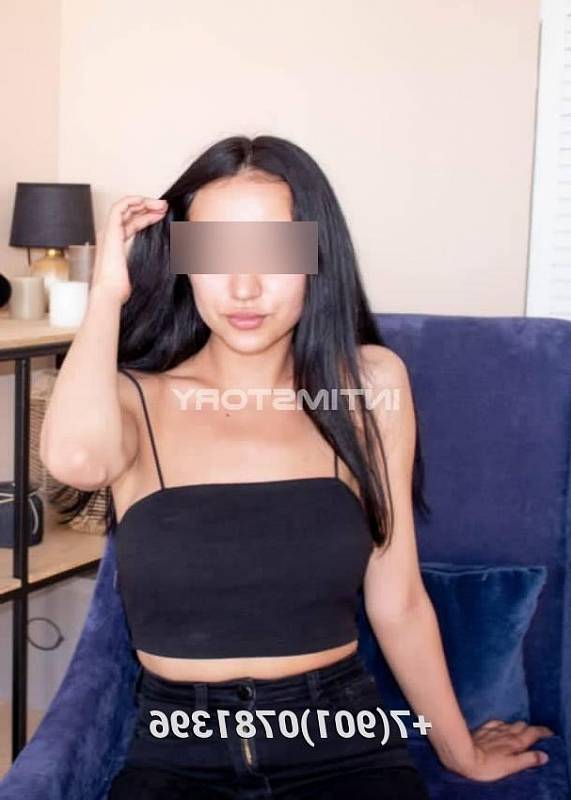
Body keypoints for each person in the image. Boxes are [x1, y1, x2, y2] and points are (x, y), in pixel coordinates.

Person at [40, 135, 553, 799]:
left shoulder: (367, 387)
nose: (245, 286)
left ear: (316, 257)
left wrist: (461, 753)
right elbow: (76, 460)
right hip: (176, 752)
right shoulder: (134, 398)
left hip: (343, 744)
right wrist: (107, 292)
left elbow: (396, 597)